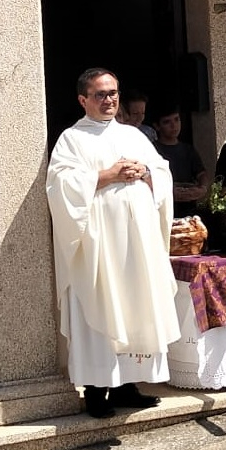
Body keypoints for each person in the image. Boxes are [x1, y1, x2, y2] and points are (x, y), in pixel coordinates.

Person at [46, 68, 181, 419]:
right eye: (101, 94)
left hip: (135, 245)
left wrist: (145, 173)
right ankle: (96, 390)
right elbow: (60, 186)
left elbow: (161, 172)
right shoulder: (72, 140)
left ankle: (127, 384)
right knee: (100, 310)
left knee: (134, 306)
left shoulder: (133, 135)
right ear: (83, 100)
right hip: (98, 247)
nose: (109, 100)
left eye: (113, 93)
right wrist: (108, 175)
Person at [153, 105, 210, 218]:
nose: (173, 125)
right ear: (157, 126)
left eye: (176, 119)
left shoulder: (188, 149)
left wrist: (203, 188)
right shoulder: (152, 150)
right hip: (163, 209)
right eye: (167, 122)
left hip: (189, 208)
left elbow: (201, 173)